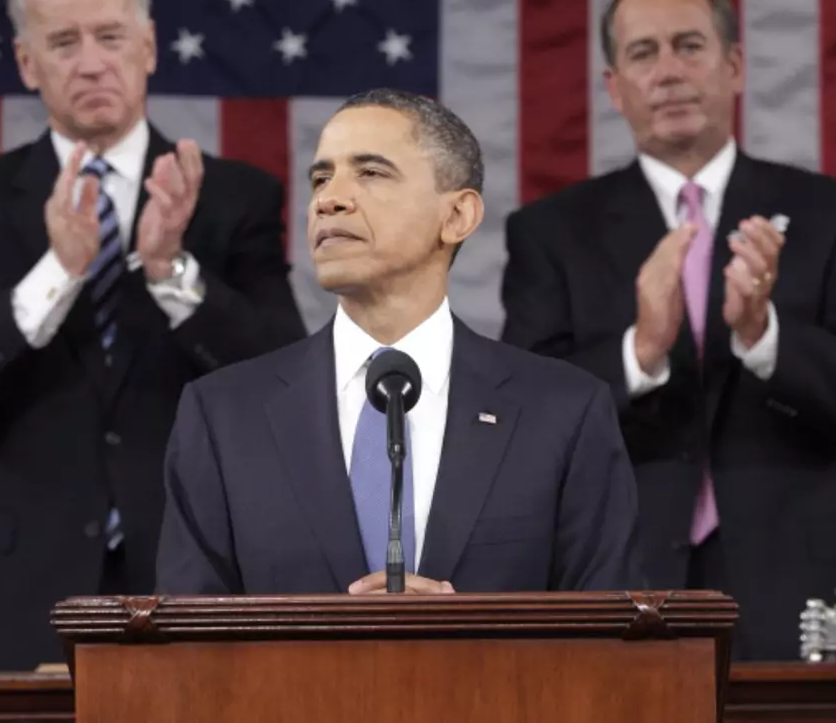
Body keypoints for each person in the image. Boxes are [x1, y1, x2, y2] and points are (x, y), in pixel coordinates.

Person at [0, 0, 306, 670]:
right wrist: (56, 274)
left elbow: (281, 384)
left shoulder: (231, 198)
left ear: (149, 46)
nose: (90, 61)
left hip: (191, 575)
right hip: (17, 585)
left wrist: (170, 269)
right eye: (63, 41)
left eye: (110, 36)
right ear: (28, 63)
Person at [500, 0, 836, 660]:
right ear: (612, 85)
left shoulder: (833, 212)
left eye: (689, 45)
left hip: (803, 581)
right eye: (642, 54)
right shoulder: (551, 232)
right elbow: (527, 423)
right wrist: (640, 352)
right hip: (622, 582)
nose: (668, 72)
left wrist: (762, 336)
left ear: (734, 65)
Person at [155, 88, 642, 597]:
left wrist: (465, 637)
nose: (329, 199)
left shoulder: (564, 412)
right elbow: (187, 650)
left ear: (457, 217)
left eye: (370, 173)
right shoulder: (223, 417)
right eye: (321, 177)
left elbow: (607, 642)